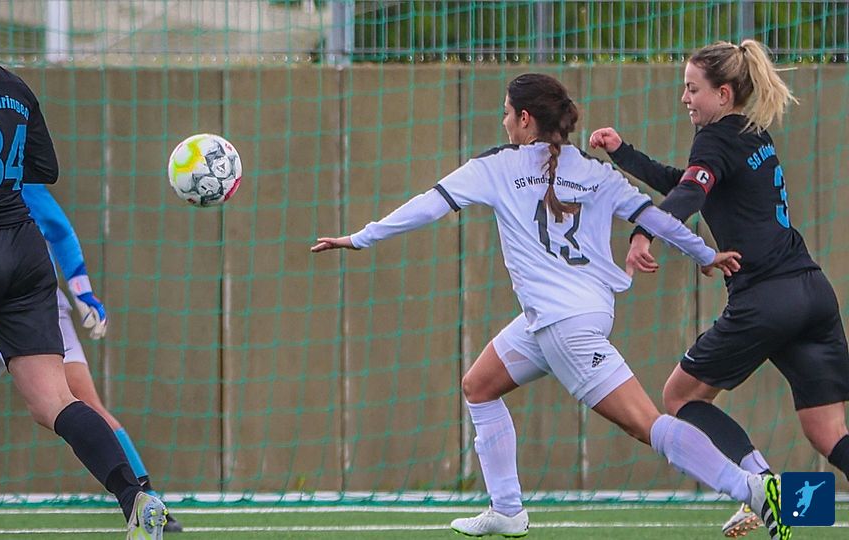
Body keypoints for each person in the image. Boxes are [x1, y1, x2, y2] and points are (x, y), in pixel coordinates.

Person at [312, 72, 788, 540]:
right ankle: (506, 510)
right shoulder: (595, 170)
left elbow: (427, 205)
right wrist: (704, 254)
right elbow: (656, 218)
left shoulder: (497, 166)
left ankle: (749, 487)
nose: (503, 123)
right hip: (570, 315)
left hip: (564, 325)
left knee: (648, 425)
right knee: (479, 386)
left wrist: (360, 238)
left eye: (506, 113)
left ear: (525, 119)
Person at [0, 2, 167, 538]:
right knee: (56, 401)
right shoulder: (15, 87)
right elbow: (45, 167)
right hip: (23, 252)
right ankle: (135, 495)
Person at [590, 38, 849, 539]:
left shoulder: (714, 139)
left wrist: (644, 232)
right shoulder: (752, 133)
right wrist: (625, 154)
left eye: (693, 88)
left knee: (680, 396)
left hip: (764, 299)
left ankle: (762, 485)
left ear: (723, 94)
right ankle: (791, 505)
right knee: (828, 431)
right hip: (811, 291)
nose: (685, 98)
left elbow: (690, 192)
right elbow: (689, 182)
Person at [0, 186, 183, 533]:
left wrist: (83, 292)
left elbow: (60, 232)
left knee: (81, 401)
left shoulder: (18, 189)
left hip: (30, 313)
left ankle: (145, 496)